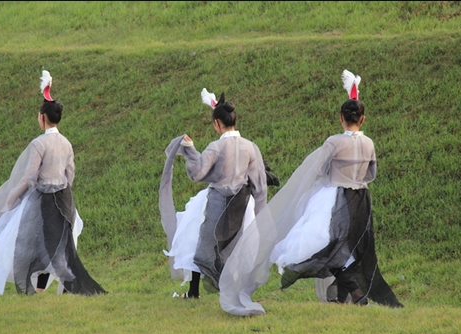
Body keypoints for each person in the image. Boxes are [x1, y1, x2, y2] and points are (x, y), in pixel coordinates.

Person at [219, 70, 403, 316]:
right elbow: (371, 173)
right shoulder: (369, 143)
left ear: (341, 118)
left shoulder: (334, 142)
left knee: (325, 246)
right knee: (349, 244)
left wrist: (337, 177)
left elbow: (320, 168)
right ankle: (340, 296)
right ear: (363, 119)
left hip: (337, 196)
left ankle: (356, 294)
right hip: (362, 199)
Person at [0, 70, 107, 296]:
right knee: (60, 242)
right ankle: (61, 283)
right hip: (64, 198)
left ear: (41, 117)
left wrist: (14, 196)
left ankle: (36, 285)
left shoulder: (39, 144)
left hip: (44, 198)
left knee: (33, 242)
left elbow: (30, 176)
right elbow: (71, 173)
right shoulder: (66, 143)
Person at [159, 89, 268, 299]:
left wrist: (190, 150)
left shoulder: (216, 147)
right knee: (236, 247)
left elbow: (198, 173)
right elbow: (260, 186)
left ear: (217, 124)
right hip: (242, 205)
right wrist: (260, 215)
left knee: (197, 240)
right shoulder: (250, 148)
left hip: (218, 200)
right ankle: (233, 289)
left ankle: (194, 291)